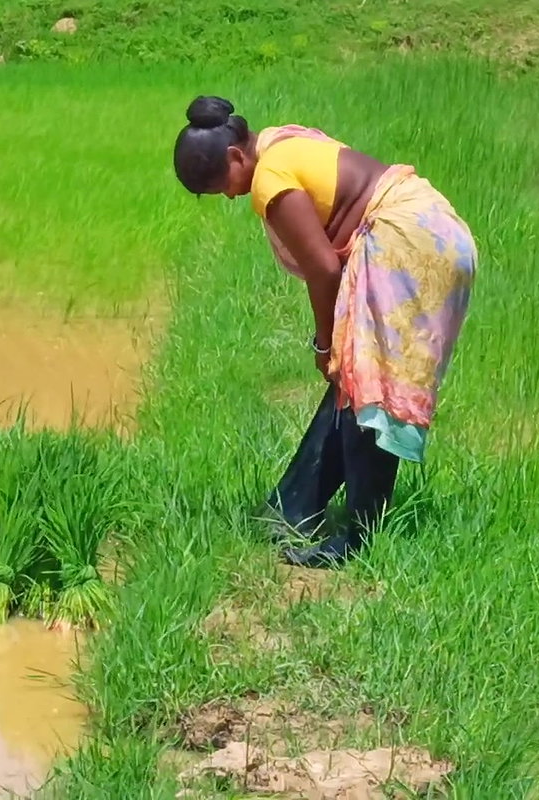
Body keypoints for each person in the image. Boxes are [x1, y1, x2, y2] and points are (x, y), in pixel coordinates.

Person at [172, 96, 476, 568]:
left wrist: (325, 340)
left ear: (235, 157)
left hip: (407, 240)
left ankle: (356, 539)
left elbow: (323, 270)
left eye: (222, 187)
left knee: (370, 391)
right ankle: (292, 508)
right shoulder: (281, 141)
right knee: (353, 385)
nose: (231, 197)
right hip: (430, 227)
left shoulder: (269, 178)